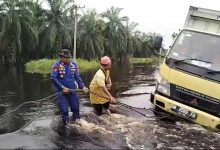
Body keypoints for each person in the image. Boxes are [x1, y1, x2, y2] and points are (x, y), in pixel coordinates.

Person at [51, 49, 89, 126]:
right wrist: (62, 88)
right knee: (64, 110)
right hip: (60, 91)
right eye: (63, 57)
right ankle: (66, 125)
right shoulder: (56, 65)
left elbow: (78, 78)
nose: (65, 59)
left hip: (72, 90)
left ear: (69, 57)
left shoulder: (74, 65)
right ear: (61, 57)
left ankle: (76, 122)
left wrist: (83, 87)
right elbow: (53, 78)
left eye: (67, 57)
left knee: (75, 107)